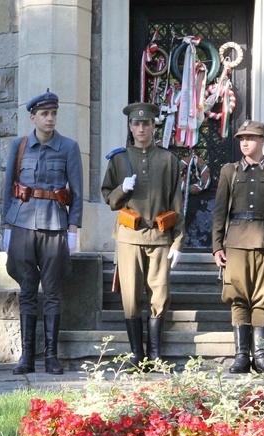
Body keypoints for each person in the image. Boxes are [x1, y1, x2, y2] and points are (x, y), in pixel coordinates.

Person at [2, 90, 83, 375]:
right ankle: (26, 356)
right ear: (33, 117)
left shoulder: (69, 147)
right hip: (22, 223)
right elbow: (8, 186)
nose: (50, 119)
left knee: (52, 291)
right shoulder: (20, 145)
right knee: (26, 291)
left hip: (54, 224)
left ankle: (51, 356)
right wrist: (6, 226)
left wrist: (73, 227)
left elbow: (77, 190)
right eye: (45, 114)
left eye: (53, 114)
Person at [101, 102, 184, 367]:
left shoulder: (168, 160)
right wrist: (121, 190)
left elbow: (177, 203)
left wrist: (178, 241)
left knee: (159, 294)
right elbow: (107, 197)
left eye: (146, 124)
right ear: (130, 127)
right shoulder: (118, 159)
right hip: (128, 236)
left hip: (159, 237)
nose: (141, 129)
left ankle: (156, 354)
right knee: (131, 295)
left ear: (153, 126)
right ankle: (138, 355)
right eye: (136, 124)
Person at [211, 120, 264, 375]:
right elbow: (220, 211)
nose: (245, 142)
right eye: (242, 138)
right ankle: (241, 355)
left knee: (263, 297)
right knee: (237, 297)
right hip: (235, 243)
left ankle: (260, 355)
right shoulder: (229, 171)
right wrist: (217, 247)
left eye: (251, 138)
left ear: (263, 141)